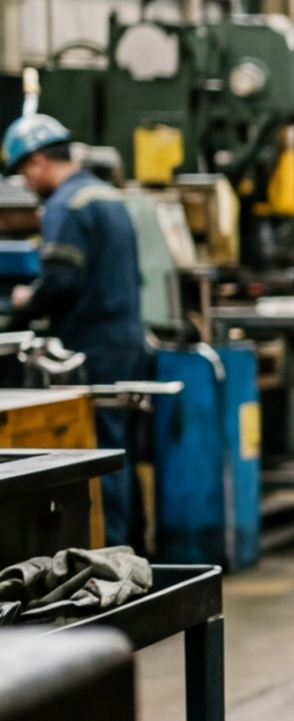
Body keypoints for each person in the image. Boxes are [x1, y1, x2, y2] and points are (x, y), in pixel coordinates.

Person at [6, 115, 149, 545]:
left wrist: (23, 304)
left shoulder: (66, 205)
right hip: (126, 338)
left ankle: (112, 556)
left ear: (37, 162)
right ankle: (133, 550)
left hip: (92, 346)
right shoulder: (106, 194)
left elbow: (62, 280)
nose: (27, 184)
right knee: (122, 453)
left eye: (24, 174)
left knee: (97, 458)